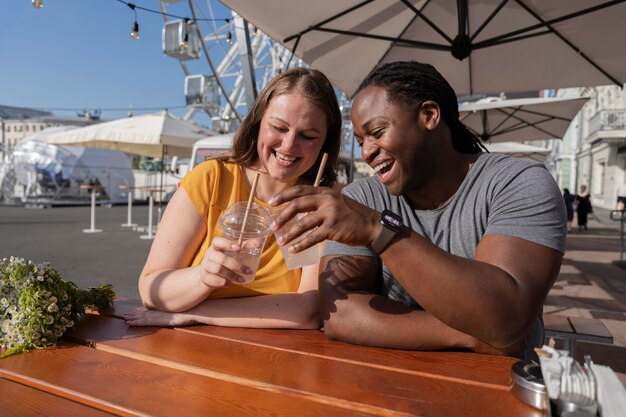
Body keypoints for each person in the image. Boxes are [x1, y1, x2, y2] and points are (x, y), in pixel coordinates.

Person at [269, 61, 566, 360]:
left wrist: (380, 230)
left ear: (429, 115)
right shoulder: (364, 196)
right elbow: (341, 315)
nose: (367, 152)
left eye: (377, 131)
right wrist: (467, 334)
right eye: (361, 141)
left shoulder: (517, 183)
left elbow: (505, 317)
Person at [124, 67, 341, 329]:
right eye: (279, 127)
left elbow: (309, 310)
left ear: (326, 143)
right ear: (259, 121)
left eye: (307, 136)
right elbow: (151, 289)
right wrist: (203, 276)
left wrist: (196, 313)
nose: (288, 145)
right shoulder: (211, 179)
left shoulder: (323, 205)